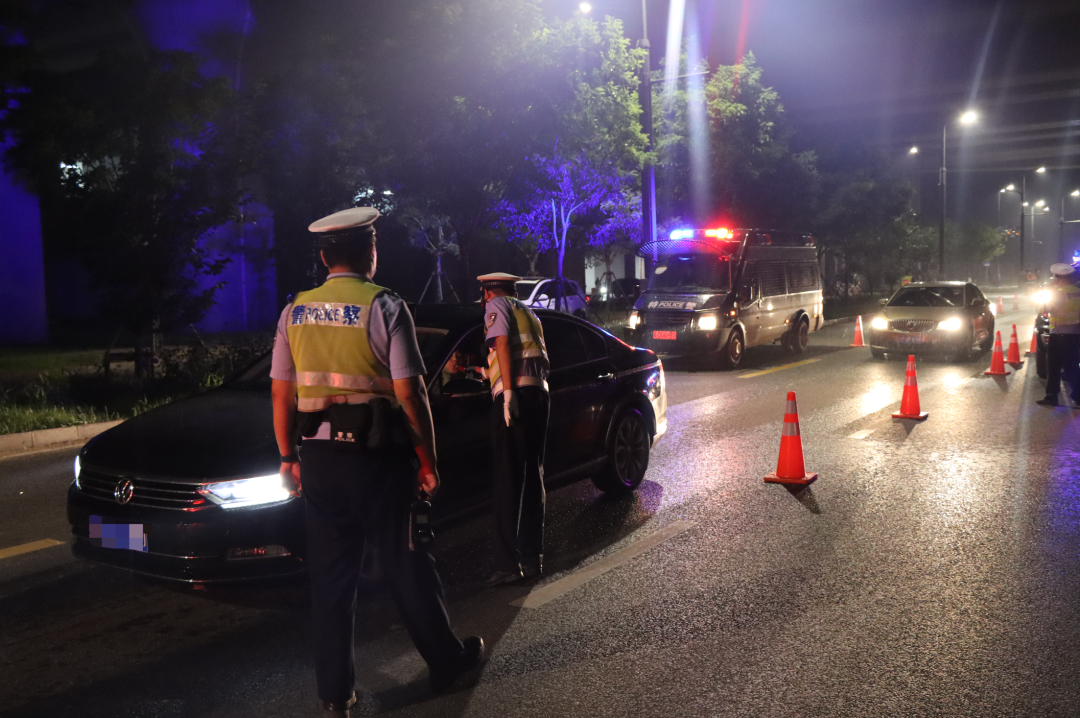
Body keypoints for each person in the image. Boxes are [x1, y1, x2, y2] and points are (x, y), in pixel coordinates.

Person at [270, 207, 483, 716]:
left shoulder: (294, 311)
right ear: (370, 252)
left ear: (325, 258)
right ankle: (446, 661)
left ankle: (335, 695)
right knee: (408, 562)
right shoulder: (385, 306)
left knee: (331, 582)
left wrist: (287, 457)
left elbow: (280, 393)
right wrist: (427, 461)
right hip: (378, 460)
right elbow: (410, 393)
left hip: (319, 460)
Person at [477, 272, 551, 586]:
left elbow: (503, 344)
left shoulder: (497, 305)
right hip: (538, 395)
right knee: (533, 476)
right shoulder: (528, 311)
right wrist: (480, 371)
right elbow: (518, 356)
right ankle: (533, 558)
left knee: (508, 480)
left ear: (487, 292)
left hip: (516, 398)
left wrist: (507, 394)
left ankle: (507, 564)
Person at [1036, 263, 1080, 407]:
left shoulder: (1058, 293)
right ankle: (1075, 396)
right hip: (1074, 334)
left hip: (1059, 334)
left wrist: (1047, 294)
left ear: (1058, 278)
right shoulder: (1077, 292)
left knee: (1054, 366)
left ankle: (1052, 396)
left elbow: (1045, 309)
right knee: (1071, 366)